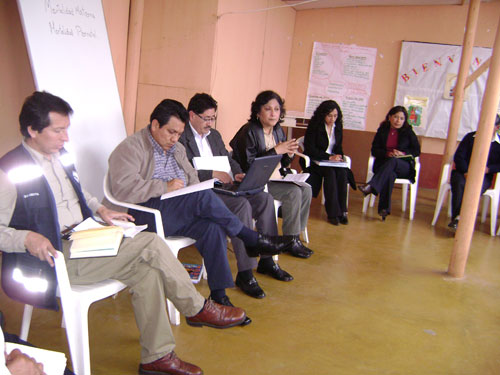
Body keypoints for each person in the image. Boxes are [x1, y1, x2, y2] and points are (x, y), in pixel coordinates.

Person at [0, 91, 248, 375]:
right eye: (58, 130)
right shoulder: (9, 170)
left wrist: (101, 210)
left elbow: (79, 195)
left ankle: (157, 357)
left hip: (85, 237)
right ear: (32, 130)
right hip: (55, 257)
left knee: (147, 272)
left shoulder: (60, 156)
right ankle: (198, 308)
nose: (65, 137)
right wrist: (27, 238)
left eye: (66, 129)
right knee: (151, 245)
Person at [107, 98, 291, 311]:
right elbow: (121, 189)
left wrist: (189, 190)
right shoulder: (131, 147)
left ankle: (219, 296)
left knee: (211, 227)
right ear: (155, 125)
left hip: (175, 210)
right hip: (143, 213)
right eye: (171, 132)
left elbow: (193, 179)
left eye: (179, 134)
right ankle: (250, 237)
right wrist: (163, 187)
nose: (175, 139)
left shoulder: (176, 149)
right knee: (202, 197)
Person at [179, 93, 293, 301]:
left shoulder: (214, 135)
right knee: (241, 205)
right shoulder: (181, 137)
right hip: (203, 192)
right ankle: (245, 273)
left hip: (225, 186)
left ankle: (267, 260)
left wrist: (240, 173)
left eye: (213, 118)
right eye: (206, 118)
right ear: (192, 115)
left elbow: (228, 160)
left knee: (264, 199)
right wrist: (211, 174)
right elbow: (183, 171)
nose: (210, 123)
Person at [230, 90, 314, 258]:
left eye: (277, 109)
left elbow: (282, 163)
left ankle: (295, 235)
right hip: (256, 181)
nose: (273, 113)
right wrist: (276, 150)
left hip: (276, 178)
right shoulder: (249, 131)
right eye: (268, 109)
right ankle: (290, 241)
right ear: (257, 112)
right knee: (293, 193)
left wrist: (288, 155)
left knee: (306, 189)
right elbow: (249, 165)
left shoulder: (277, 130)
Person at [358, 106, 421, 220]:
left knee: (393, 162)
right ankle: (384, 210)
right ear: (390, 117)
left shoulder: (408, 132)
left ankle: (372, 186)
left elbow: (417, 151)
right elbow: (374, 150)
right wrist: (387, 154)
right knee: (390, 174)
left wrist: (402, 153)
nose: (398, 121)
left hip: (403, 166)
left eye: (401, 118)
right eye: (396, 117)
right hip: (384, 164)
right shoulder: (382, 130)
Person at [302, 100, 355, 225]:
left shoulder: (338, 127)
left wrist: (339, 156)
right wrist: (328, 157)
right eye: (329, 116)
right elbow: (310, 149)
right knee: (330, 173)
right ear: (323, 115)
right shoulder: (314, 126)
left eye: (335, 116)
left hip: (332, 161)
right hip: (317, 161)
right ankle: (332, 213)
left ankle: (343, 212)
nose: (332, 119)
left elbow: (338, 147)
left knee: (342, 173)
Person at [448, 114, 500, 229]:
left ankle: (459, 219)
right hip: (463, 173)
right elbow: (459, 157)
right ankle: (458, 218)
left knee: (475, 187)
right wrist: (466, 171)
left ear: (497, 127)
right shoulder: (470, 137)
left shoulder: (498, 144)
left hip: (484, 176)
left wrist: (489, 169)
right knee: (459, 184)